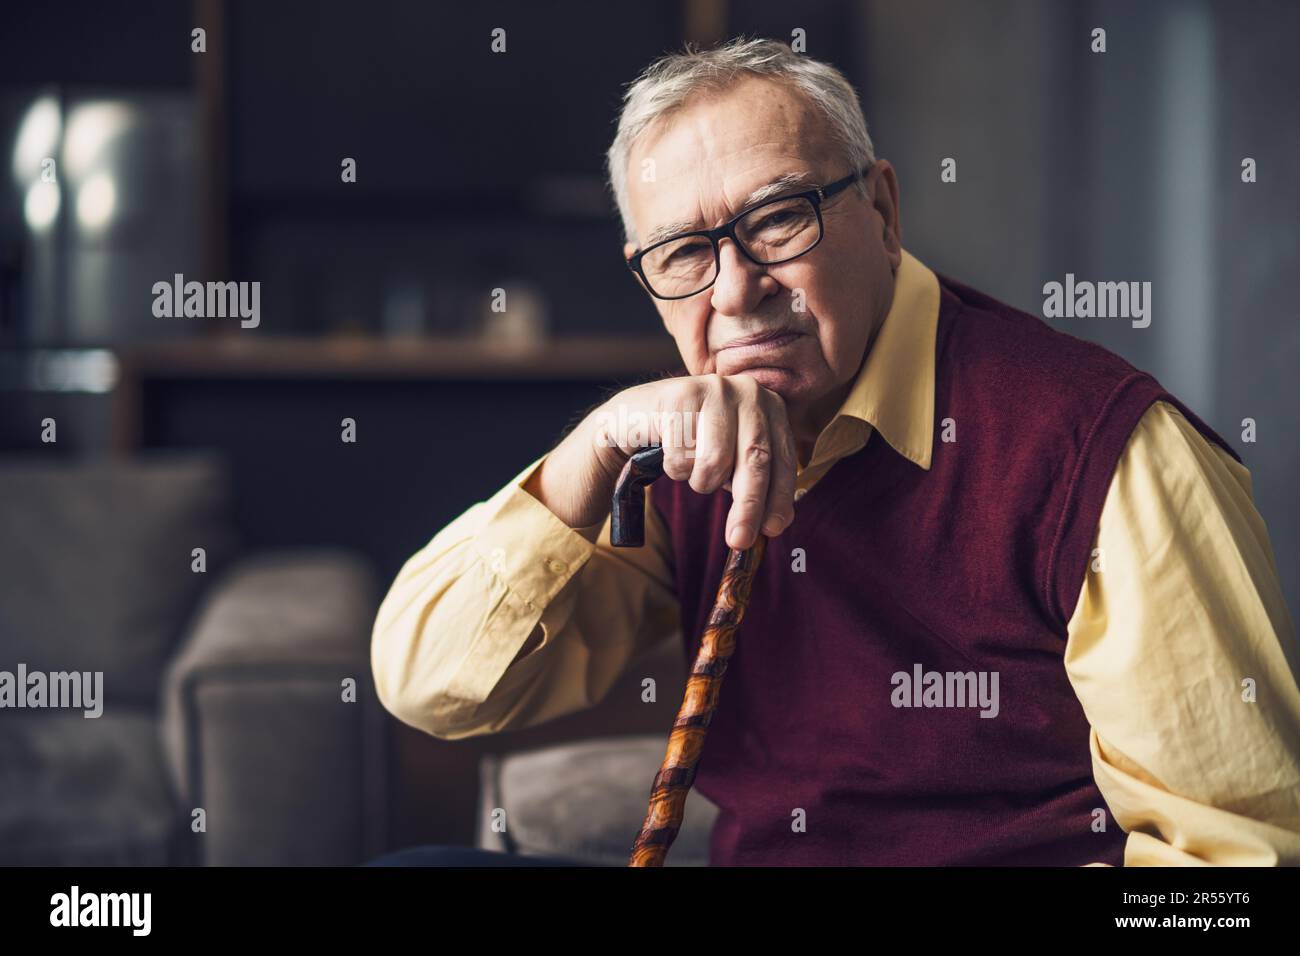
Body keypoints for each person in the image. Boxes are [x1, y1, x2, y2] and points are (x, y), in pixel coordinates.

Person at [368, 37, 1300, 866]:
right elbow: (432, 689)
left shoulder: (1111, 454)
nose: (734, 292)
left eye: (777, 220)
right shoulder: (673, 456)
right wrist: (596, 445)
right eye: (683, 253)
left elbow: (1236, 865)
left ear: (885, 213)